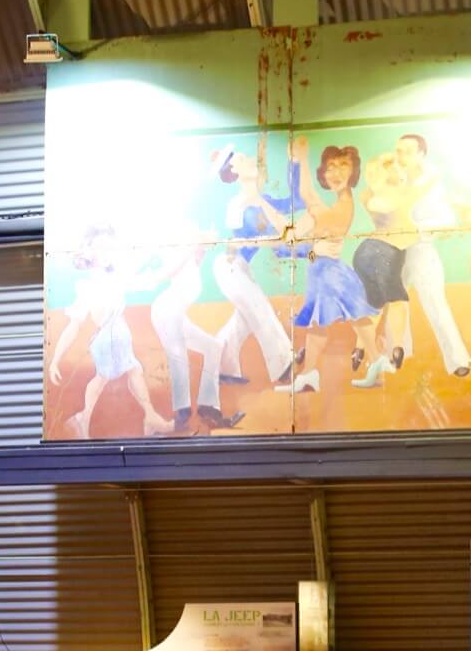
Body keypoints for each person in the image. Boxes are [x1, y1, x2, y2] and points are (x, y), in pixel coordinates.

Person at [47, 226, 175, 438]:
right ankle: (85, 418)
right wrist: (55, 360)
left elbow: (141, 277)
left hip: (117, 331)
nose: (107, 252)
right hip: (108, 336)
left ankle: (149, 417)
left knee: (131, 371)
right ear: (88, 252)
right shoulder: (88, 285)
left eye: (109, 246)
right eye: (100, 247)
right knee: (106, 377)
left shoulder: (116, 274)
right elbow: (74, 325)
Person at [282, 137, 380, 393]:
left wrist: (301, 160)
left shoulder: (343, 206)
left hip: (331, 274)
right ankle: (310, 375)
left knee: (354, 316)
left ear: (353, 171)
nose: (335, 173)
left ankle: (377, 362)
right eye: (330, 167)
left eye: (343, 165)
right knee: (321, 324)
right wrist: (310, 252)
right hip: (321, 271)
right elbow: (312, 249)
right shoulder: (336, 204)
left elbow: (308, 199)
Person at [208, 145, 300, 387]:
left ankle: (220, 366)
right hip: (229, 268)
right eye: (244, 160)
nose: (251, 161)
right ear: (235, 172)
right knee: (261, 311)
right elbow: (238, 241)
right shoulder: (237, 204)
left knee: (243, 320)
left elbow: (295, 202)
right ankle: (284, 365)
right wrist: (277, 238)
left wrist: (295, 164)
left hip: (241, 268)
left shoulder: (262, 200)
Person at [392, 133, 471, 378]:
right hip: (396, 250)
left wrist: (416, 228)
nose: (401, 156)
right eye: (399, 151)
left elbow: (448, 220)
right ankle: (398, 353)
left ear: (421, 154)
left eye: (407, 151)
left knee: (436, 304)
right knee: (393, 302)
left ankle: (459, 360)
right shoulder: (394, 179)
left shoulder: (433, 183)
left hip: (422, 249)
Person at [148, 234, 242, 431]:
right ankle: (182, 413)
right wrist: (194, 245)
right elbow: (169, 271)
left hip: (177, 314)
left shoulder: (192, 261)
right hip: (166, 312)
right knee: (178, 355)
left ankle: (208, 407)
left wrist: (199, 249)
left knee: (213, 347)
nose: (204, 250)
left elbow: (196, 257)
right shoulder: (180, 251)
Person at [349, 151, 417, 389]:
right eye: (394, 166)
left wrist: (383, 166)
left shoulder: (367, 196)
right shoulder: (401, 194)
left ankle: (359, 348)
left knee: (375, 304)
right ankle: (396, 347)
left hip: (364, 252)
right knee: (397, 300)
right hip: (387, 252)